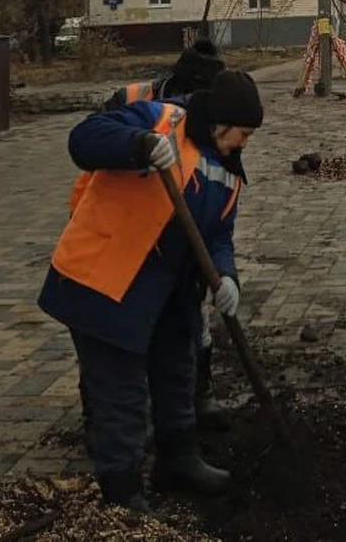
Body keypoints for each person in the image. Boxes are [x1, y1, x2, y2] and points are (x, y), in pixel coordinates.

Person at [38, 70, 263, 511]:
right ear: (221, 122)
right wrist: (136, 145)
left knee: (178, 372)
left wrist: (227, 276)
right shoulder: (160, 120)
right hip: (105, 282)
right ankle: (122, 492)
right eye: (244, 133)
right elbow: (83, 139)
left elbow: (219, 236)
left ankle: (178, 461)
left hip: (170, 290)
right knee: (120, 394)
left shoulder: (227, 172)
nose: (246, 143)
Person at [69, 39, 229, 439]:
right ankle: (98, 416)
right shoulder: (135, 100)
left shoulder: (208, 119)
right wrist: (136, 145)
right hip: (110, 225)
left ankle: (193, 399)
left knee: (190, 321)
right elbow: (88, 140)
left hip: (169, 236)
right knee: (105, 332)